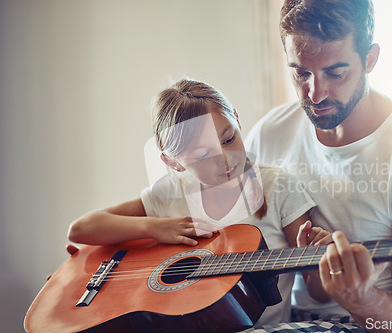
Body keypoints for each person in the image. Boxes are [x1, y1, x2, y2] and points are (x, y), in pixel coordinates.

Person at [244, 0, 392, 332]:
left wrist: (361, 299)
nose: (315, 94)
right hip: (278, 320)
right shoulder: (270, 133)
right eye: (300, 72)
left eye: (335, 72)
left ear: (370, 59)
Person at [67, 78, 320, 327]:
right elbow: (80, 229)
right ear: (173, 162)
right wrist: (154, 227)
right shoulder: (170, 193)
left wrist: (319, 264)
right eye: (203, 155)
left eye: (229, 139)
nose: (225, 158)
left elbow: (318, 293)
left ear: (237, 117)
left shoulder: (279, 186)